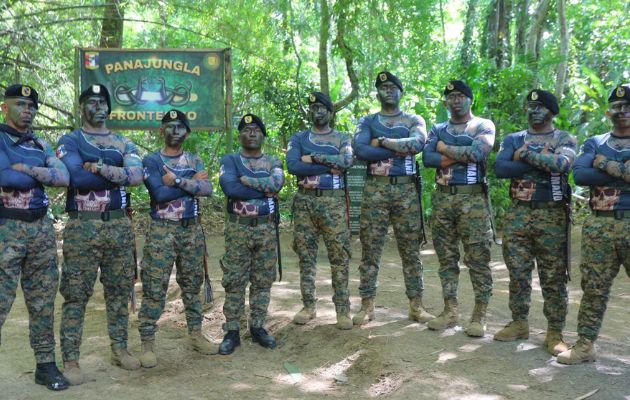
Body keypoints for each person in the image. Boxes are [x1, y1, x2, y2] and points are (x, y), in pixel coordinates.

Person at [57, 84, 143, 385]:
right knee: (76, 294)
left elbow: (136, 177)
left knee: (119, 291)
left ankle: (120, 348)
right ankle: (71, 359)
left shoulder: (123, 141)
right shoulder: (70, 140)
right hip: (83, 226)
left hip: (118, 226)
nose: (98, 106)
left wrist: (98, 166)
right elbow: (74, 176)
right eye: (91, 102)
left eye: (102, 101)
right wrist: (114, 171)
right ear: (82, 108)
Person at [493, 89, 576, 355]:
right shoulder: (514, 138)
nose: (534, 110)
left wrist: (525, 156)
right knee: (517, 272)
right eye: (530, 105)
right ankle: (519, 322)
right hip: (518, 213)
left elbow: (562, 164)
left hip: (551, 214)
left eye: (540, 106)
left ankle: (555, 332)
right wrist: (542, 161)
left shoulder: (564, 138)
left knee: (553, 276)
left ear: (551, 111)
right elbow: (501, 169)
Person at [0, 84, 70, 390]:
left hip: (41, 230)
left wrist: (24, 167)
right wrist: (41, 171)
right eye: (19, 104)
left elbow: (64, 177)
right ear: (4, 107)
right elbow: (5, 177)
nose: (26, 110)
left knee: (43, 301)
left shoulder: (40, 143)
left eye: (31, 106)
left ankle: (46, 365)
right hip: (6, 230)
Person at [137, 109, 218, 368]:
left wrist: (177, 180)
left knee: (192, 284)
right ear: (162, 131)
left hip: (191, 230)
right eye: (169, 126)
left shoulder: (194, 158)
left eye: (180, 126)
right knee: (154, 285)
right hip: (162, 230)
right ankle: (147, 342)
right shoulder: (151, 160)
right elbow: (158, 195)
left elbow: (207, 189)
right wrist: (189, 183)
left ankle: (196, 334)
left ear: (187, 132)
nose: (174, 130)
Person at [353, 71, 434, 326]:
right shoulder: (367, 121)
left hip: (406, 191)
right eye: (383, 87)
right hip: (375, 189)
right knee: (370, 249)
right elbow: (361, 149)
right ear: (377, 93)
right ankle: (367, 306)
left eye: (392, 87)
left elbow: (418, 143)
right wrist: (399, 147)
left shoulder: (413, 119)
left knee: (410, 250)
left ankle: (416, 305)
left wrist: (383, 141)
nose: (388, 90)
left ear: (401, 92)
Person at [557, 84, 630, 364]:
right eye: (617, 106)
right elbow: (581, 175)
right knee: (593, 288)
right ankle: (586, 344)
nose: (622, 111)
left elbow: (594, 169)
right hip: (600, 226)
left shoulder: (600, 152)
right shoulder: (595, 142)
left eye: (627, 106)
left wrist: (606, 165)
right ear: (609, 111)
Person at [422, 80, 495, 337]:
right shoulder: (438, 128)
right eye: (451, 96)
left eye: (461, 96)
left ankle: (480, 315)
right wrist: (459, 152)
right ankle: (450, 311)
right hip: (443, 200)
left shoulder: (483, 125)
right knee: (446, 259)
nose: (456, 100)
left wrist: (444, 148)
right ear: (445, 102)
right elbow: (428, 159)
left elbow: (479, 153)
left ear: (470, 99)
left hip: (472, 200)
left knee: (478, 258)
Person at [218, 114, 284, 355]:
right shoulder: (231, 160)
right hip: (238, 228)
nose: (252, 133)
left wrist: (246, 180)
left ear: (263, 135)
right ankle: (232, 330)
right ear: (240, 135)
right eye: (246, 129)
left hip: (266, 227)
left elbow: (277, 185)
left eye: (256, 129)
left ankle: (258, 326)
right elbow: (230, 187)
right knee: (234, 279)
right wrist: (261, 185)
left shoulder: (274, 160)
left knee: (262, 279)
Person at [287, 92, 353, 329]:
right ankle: (308, 306)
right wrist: (329, 163)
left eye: (321, 107)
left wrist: (312, 158)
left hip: (333, 203)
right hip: (305, 202)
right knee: (306, 256)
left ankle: (343, 310)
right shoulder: (299, 138)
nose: (316, 111)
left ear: (330, 111)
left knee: (339, 256)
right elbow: (293, 165)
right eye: (313, 107)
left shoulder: (342, 137)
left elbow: (346, 162)